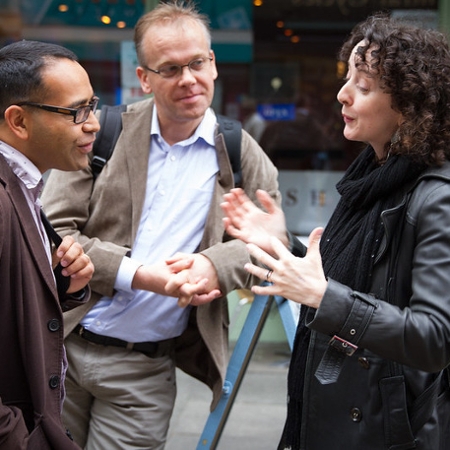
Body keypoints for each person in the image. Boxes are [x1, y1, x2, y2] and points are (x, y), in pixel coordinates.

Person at [40, 1, 280, 449]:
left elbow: (270, 240)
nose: (188, 79)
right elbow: (51, 232)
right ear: (144, 78)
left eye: (196, 63)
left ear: (213, 63)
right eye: (169, 69)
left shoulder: (240, 151)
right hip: (62, 350)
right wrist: (140, 276)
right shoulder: (102, 133)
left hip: (145, 372)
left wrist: (215, 265)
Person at [221, 13, 450, 450]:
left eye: (363, 87)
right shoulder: (370, 176)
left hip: (385, 430)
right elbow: (337, 282)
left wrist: (325, 298)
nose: (342, 94)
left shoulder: (436, 197)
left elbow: (435, 337)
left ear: (408, 107)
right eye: (348, 78)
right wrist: (279, 244)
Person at [0, 40, 97, 449]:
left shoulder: (24, 183)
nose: (92, 124)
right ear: (19, 121)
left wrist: (60, 284)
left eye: (93, 106)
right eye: (77, 112)